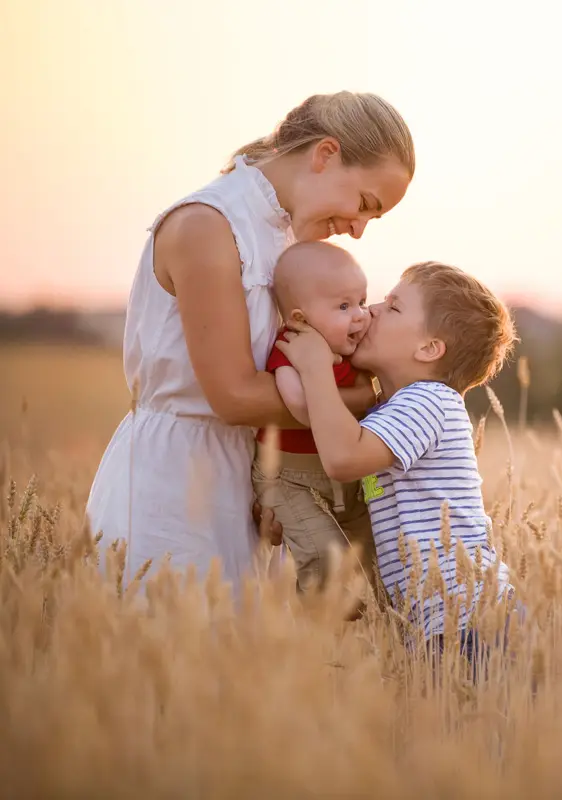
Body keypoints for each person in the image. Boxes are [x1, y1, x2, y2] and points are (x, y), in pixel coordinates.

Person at [85, 92, 415, 592]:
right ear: (326, 154)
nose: (358, 229)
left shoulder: (287, 239)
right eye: (364, 204)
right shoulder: (207, 225)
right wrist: (372, 399)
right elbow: (235, 396)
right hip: (173, 485)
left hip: (244, 483)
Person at [275, 261, 519, 666]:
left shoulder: (429, 401)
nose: (370, 310)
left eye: (393, 307)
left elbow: (342, 458)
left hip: (467, 620)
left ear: (428, 349)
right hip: (438, 623)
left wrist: (315, 365)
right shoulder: (390, 413)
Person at [250, 241, 379, 600]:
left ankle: (393, 621)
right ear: (300, 320)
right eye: (343, 306)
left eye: (362, 302)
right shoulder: (291, 350)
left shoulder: (353, 353)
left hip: (344, 476)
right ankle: (320, 614)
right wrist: (324, 373)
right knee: (323, 555)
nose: (360, 315)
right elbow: (301, 408)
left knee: (379, 552)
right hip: (288, 478)